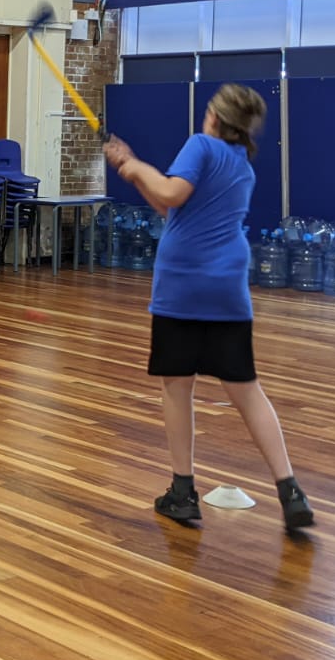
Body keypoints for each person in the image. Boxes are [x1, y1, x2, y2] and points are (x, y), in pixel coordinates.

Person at [102, 83, 314, 531]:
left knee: (178, 387)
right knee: (246, 389)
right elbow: (170, 207)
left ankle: (183, 491)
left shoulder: (201, 145)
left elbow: (174, 194)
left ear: (215, 118)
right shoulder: (242, 166)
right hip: (228, 289)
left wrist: (135, 163)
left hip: (183, 284)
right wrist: (134, 172)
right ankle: (289, 489)